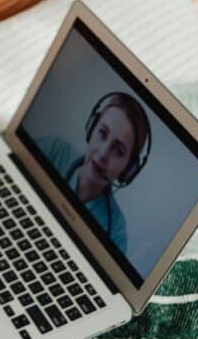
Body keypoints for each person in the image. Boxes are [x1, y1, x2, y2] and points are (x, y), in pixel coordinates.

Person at [34, 92, 151, 254]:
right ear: (91, 128)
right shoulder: (54, 150)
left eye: (118, 150)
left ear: (128, 170)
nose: (103, 153)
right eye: (102, 133)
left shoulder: (116, 230)